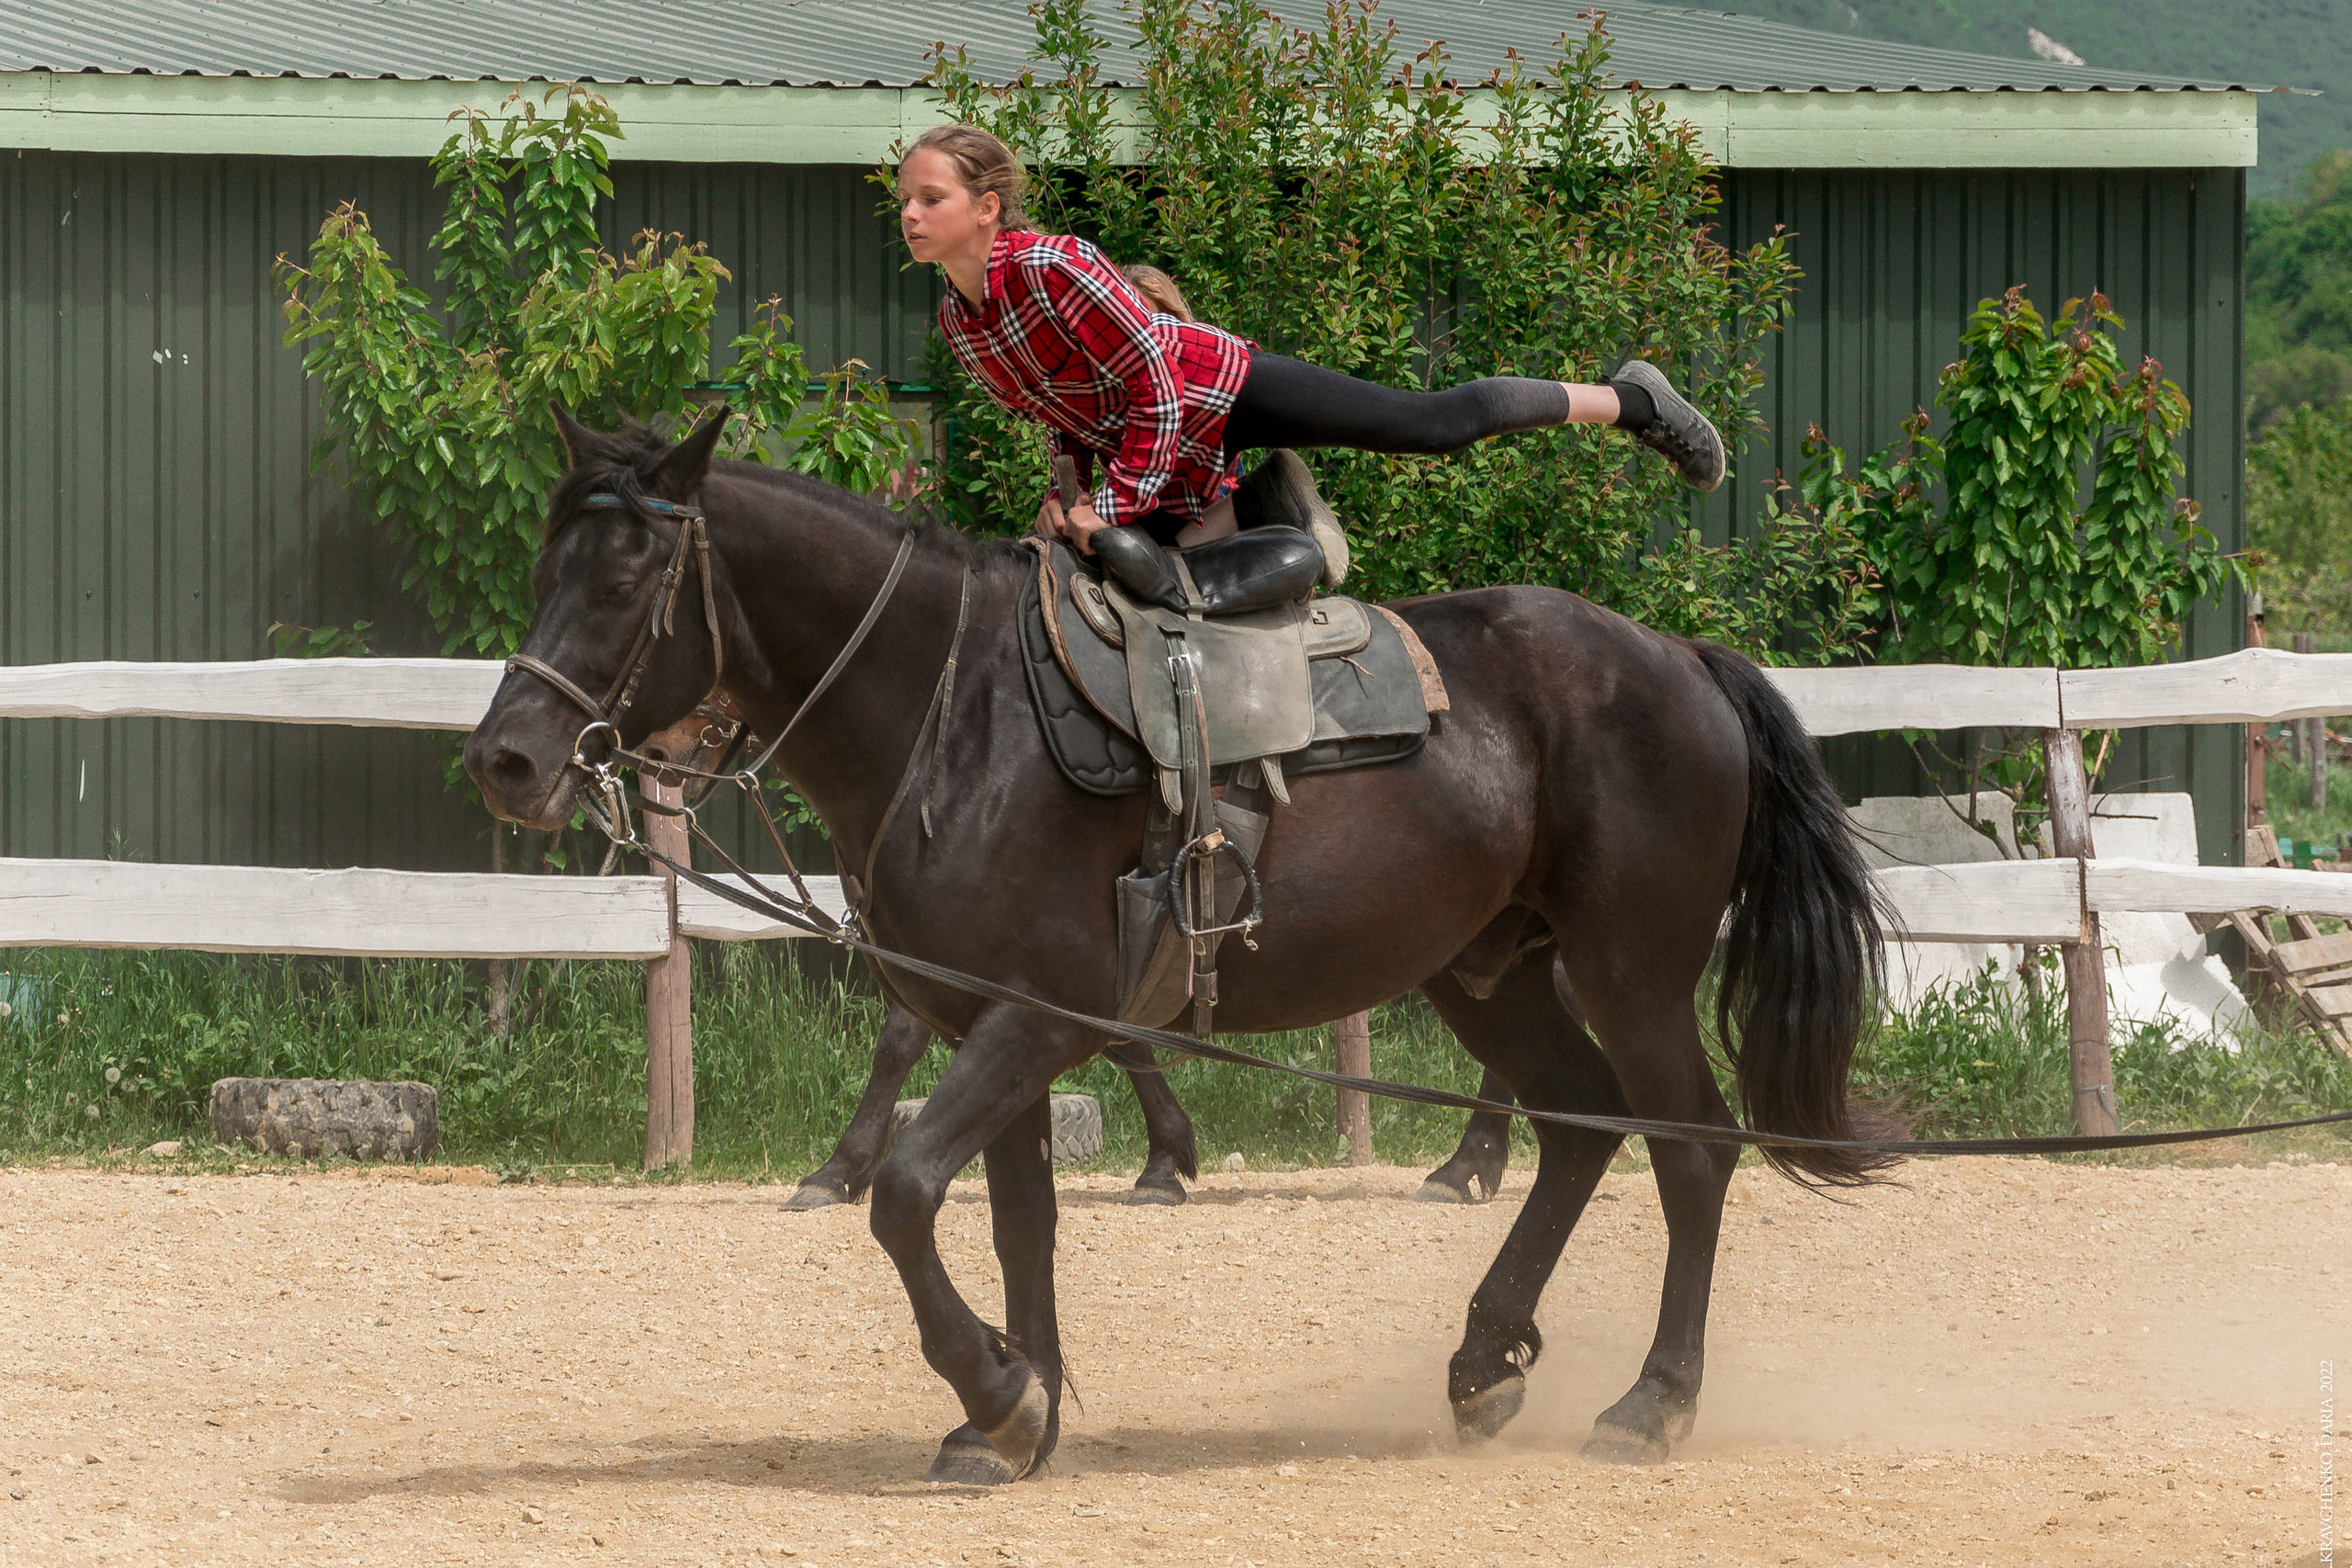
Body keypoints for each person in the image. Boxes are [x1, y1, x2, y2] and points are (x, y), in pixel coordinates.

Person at [898, 123, 1724, 561]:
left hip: (1211, 391)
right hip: (1152, 451)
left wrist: (1108, 505)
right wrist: (1067, 491)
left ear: (987, 208)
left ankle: (1633, 399)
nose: (910, 214)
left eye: (931, 198)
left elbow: (1154, 376)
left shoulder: (1051, 265)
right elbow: (1066, 417)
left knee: (1425, 427)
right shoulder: (959, 322)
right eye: (905, 199)